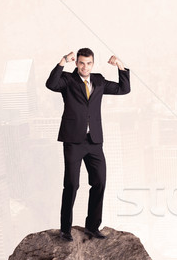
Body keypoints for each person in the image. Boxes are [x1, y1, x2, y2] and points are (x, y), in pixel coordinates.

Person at [46, 48, 130, 241]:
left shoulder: (99, 80)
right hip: (73, 141)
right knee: (72, 185)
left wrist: (120, 65)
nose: (85, 67)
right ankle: (65, 229)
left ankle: (92, 226)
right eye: (81, 63)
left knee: (99, 181)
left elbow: (123, 89)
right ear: (77, 64)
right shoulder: (68, 80)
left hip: (94, 142)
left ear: (93, 64)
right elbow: (51, 84)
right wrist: (62, 61)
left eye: (88, 63)